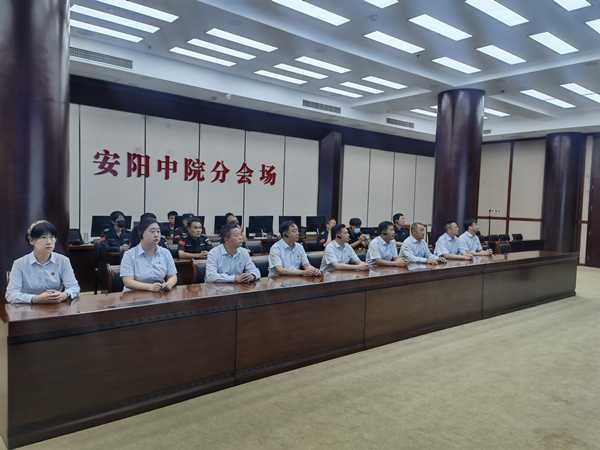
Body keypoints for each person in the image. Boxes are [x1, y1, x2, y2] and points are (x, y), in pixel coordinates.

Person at [6, 220, 80, 303]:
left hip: (57, 306)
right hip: (30, 308)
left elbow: (74, 287)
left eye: (52, 237)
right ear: (31, 241)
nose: (49, 242)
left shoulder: (63, 260)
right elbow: (11, 294)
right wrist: (35, 298)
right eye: (43, 237)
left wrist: (64, 295)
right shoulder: (19, 264)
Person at [121, 218, 178, 292]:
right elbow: (128, 282)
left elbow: (173, 276)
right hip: (134, 294)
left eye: (158, 231)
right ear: (141, 233)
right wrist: (150, 287)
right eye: (152, 231)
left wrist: (169, 284)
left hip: (158, 294)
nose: (156, 235)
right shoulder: (129, 255)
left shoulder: (166, 253)